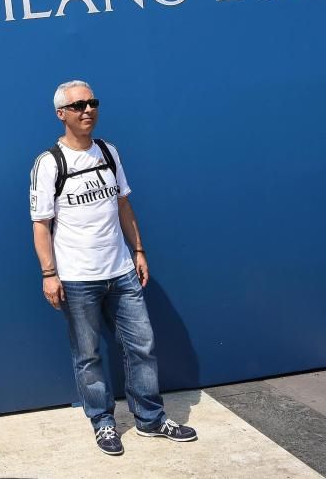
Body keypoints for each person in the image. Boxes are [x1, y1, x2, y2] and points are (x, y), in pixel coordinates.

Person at [29, 80, 197, 456]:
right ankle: (103, 423)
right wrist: (49, 274)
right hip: (76, 278)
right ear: (61, 114)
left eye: (92, 103)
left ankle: (150, 419)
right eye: (78, 106)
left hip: (120, 269)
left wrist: (138, 249)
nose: (87, 110)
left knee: (142, 346)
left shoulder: (108, 152)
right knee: (87, 356)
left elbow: (123, 204)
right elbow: (41, 224)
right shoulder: (49, 163)